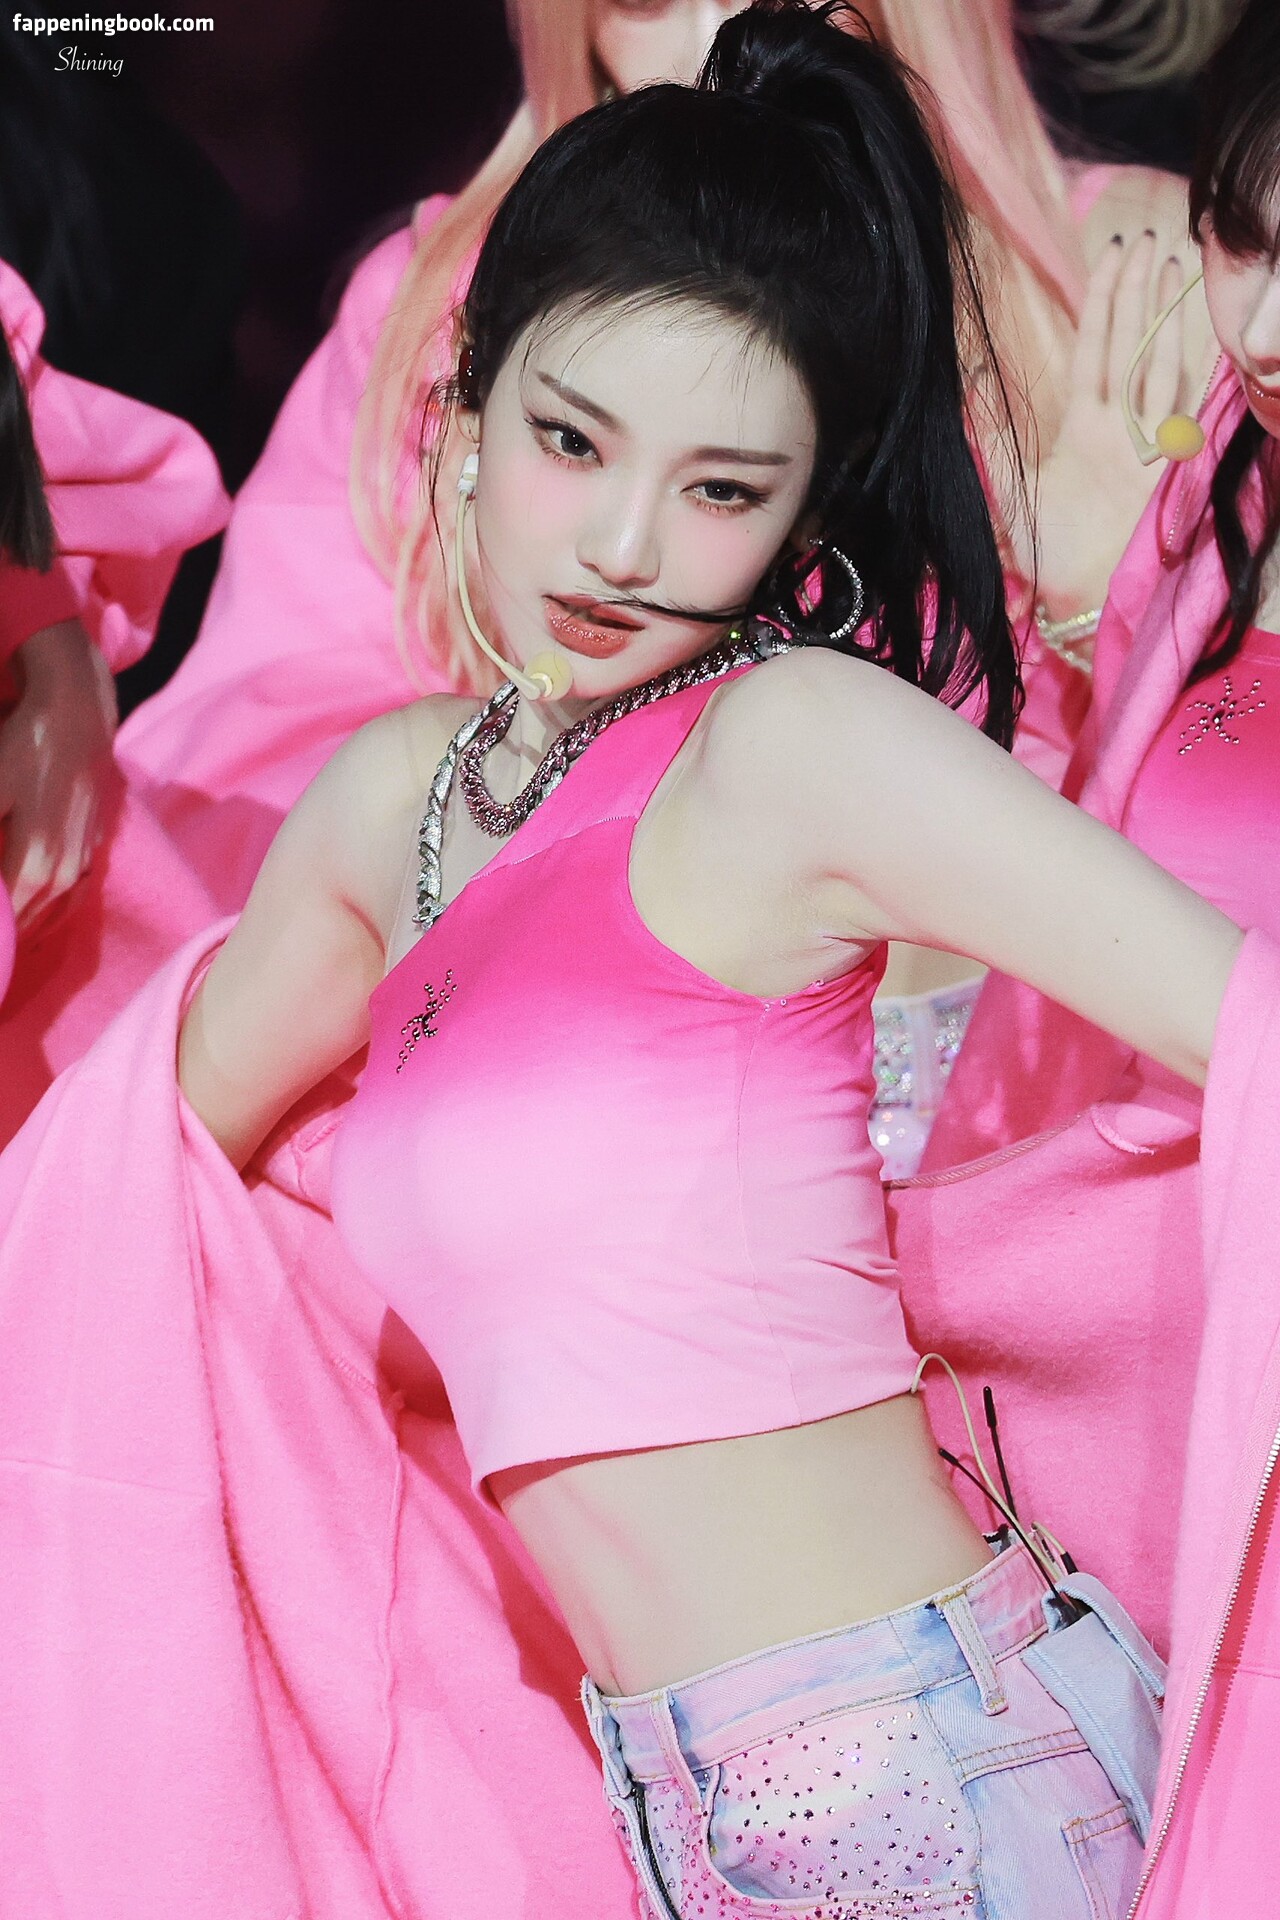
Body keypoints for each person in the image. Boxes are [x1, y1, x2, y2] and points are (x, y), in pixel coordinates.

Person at [169, 8, 1250, 1914]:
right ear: (464, 406)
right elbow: (145, 1182)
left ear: (805, 515)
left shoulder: (793, 744)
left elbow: (1251, 1025)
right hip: (670, 1813)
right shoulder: (399, 810)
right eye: (570, 440)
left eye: (724, 489)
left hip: (943, 1769)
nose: (622, 542)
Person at [889, 2, 1280, 1909]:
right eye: (1243, 242)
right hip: (1145, 1388)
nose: (1264, 325)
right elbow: (1076, 987)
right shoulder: (1214, 512)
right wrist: (1083, 610)